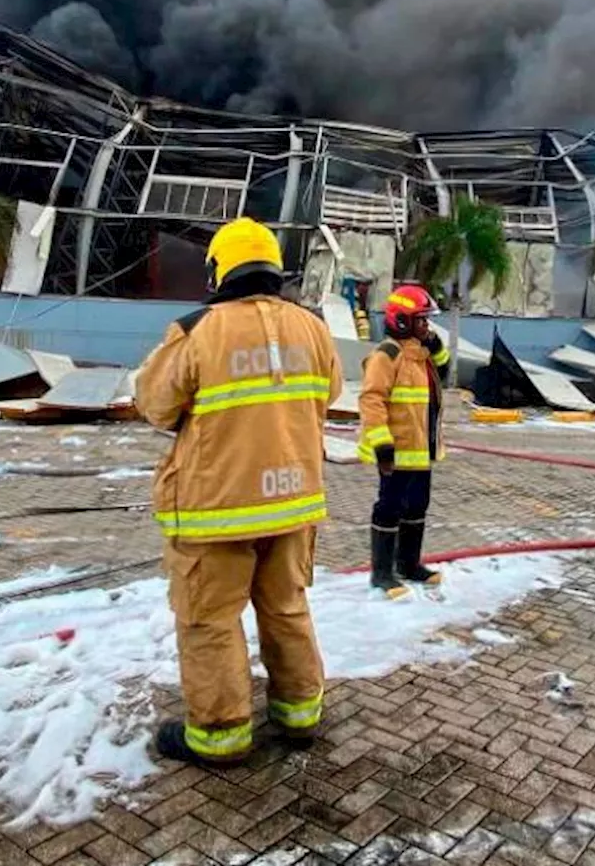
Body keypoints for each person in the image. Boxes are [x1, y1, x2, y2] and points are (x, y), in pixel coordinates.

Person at [135, 217, 343, 766]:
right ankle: (300, 712)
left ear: (218, 269)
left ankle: (220, 733)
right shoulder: (314, 328)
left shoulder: (198, 329)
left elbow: (155, 405)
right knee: (286, 607)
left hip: (216, 508)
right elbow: (330, 394)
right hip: (294, 501)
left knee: (209, 619)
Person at [357, 284, 451, 599]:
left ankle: (409, 565)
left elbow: (445, 368)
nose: (427, 326)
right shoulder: (388, 355)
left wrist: (435, 343)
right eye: (421, 320)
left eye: (427, 320)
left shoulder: (420, 354)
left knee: (417, 507)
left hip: (421, 450)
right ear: (401, 321)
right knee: (390, 508)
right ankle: (382, 573)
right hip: (396, 452)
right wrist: (382, 445)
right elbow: (372, 399)